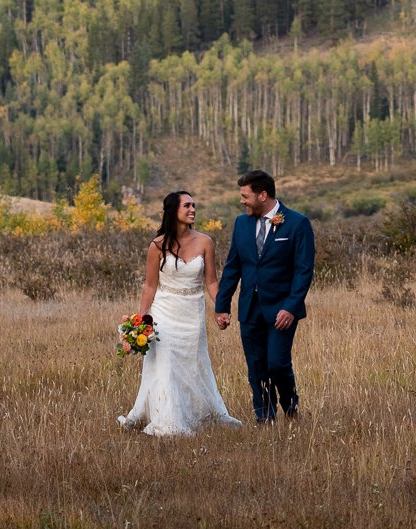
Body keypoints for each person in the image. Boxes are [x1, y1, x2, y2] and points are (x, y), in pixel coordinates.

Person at [118, 189, 241, 437]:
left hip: (192, 313)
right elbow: (150, 285)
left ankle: (197, 412)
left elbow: (212, 282)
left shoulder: (205, 242)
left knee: (193, 364)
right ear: (173, 211)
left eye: (194, 205)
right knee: (165, 364)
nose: (193, 209)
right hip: (164, 312)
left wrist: (222, 308)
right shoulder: (157, 245)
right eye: (187, 205)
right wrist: (140, 322)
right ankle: (169, 419)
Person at [213, 169, 314, 424]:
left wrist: (291, 307)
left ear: (263, 195)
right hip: (249, 308)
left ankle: (291, 407)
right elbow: (233, 267)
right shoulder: (241, 223)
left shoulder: (297, 223)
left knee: (278, 363)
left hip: (282, 310)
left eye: (245, 196)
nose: (241, 201)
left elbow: (303, 272)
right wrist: (222, 306)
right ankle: (264, 417)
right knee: (257, 366)